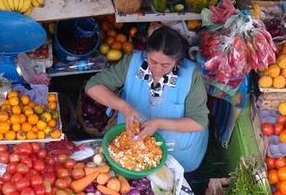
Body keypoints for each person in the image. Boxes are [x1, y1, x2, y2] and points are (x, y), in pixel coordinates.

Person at [85, 26, 209, 172]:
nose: (157, 69)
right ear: (147, 53)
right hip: (132, 149)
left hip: (177, 153)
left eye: (165, 65)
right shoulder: (133, 63)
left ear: (177, 61)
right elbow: (93, 86)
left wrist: (158, 123)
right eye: (153, 61)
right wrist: (124, 107)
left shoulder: (191, 75)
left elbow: (199, 122)